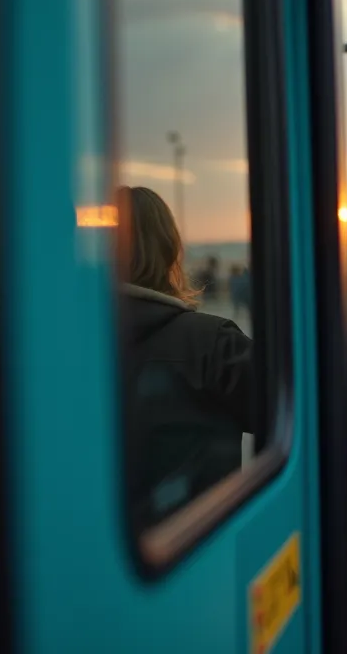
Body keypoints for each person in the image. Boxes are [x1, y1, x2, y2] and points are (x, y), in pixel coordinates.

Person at [115, 186, 254, 526]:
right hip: (199, 556)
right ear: (169, 252)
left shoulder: (58, 352)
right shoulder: (212, 343)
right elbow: (339, 404)